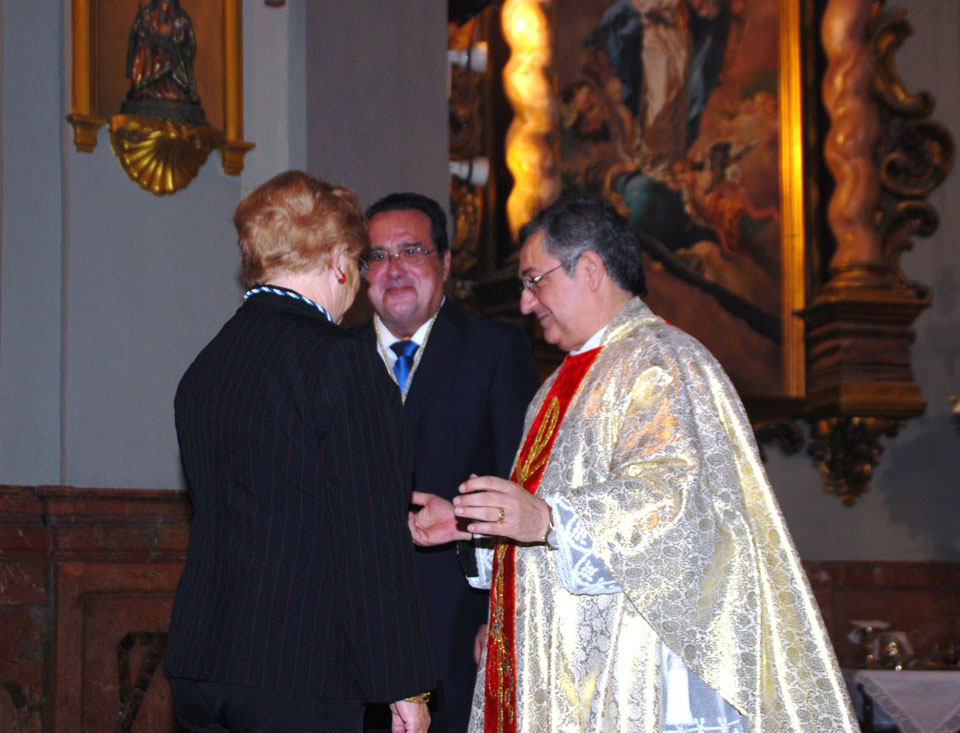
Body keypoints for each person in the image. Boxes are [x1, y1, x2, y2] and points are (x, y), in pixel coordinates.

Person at [409, 196, 858, 731]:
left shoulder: (662, 362)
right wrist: (470, 526)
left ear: (590, 268)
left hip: (639, 670)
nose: (526, 304)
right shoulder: (557, 387)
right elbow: (544, 534)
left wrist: (548, 520)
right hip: (575, 669)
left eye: (534, 281)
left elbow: (672, 506)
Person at [166, 171, 435, 733]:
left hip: (199, 662)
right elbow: (370, 533)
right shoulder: (339, 360)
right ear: (339, 259)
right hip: (297, 670)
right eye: (359, 263)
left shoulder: (206, 365)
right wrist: (403, 681)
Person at [353, 193, 540, 733]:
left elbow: (522, 488)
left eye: (412, 251)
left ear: (446, 262)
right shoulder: (332, 356)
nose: (394, 269)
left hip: (458, 635)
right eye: (378, 256)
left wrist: (499, 618)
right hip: (350, 643)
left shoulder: (495, 350)